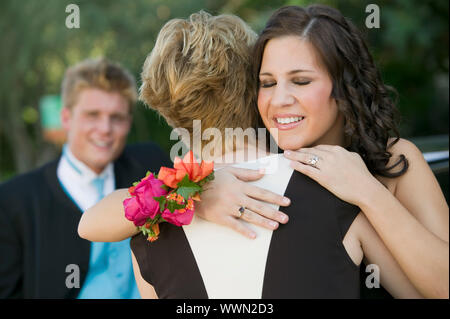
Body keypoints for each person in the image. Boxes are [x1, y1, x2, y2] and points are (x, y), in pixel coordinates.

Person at [79, 7, 446, 298]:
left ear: (344, 87)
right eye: (267, 83)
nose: (280, 99)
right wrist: (196, 188)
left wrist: (368, 192)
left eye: (301, 81)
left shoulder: (393, 162)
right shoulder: (240, 186)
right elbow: (93, 222)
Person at [0, 57, 171, 298]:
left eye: (117, 117)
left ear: (128, 122)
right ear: (66, 118)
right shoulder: (12, 202)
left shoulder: (151, 165)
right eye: (93, 115)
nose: (105, 129)